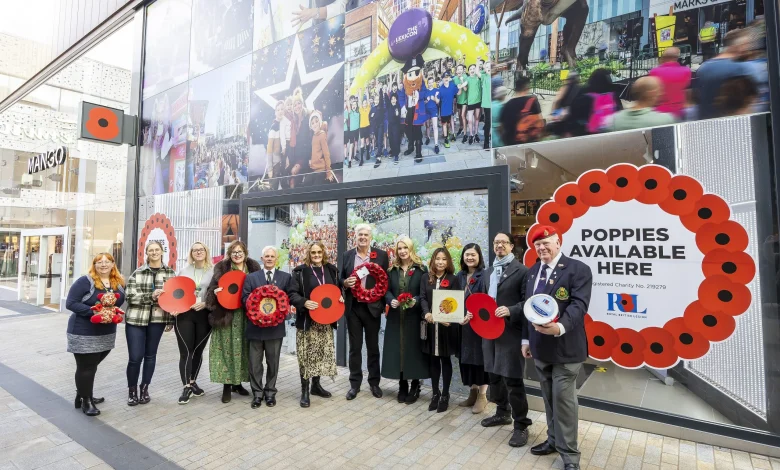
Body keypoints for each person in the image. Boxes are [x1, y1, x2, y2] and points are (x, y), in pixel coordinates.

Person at [515, 226, 591, 470]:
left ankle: (569, 456)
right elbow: (530, 309)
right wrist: (526, 340)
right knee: (548, 397)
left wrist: (560, 328)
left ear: (558, 242)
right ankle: (553, 440)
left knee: (563, 400)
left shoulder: (578, 269)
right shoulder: (533, 271)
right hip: (539, 348)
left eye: (546, 243)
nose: (542, 248)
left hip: (566, 347)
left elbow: (579, 306)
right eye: (537, 245)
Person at [481, 232, 533, 447]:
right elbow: (483, 299)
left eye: (503, 242)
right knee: (493, 375)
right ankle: (502, 412)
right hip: (489, 332)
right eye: (496, 243)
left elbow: (528, 302)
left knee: (512, 379)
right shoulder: (488, 272)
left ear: (512, 247)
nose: (499, 246)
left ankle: (521, 426)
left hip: (510, 332)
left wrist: (511, 310)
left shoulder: (522, 271)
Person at [66, 253, 125, 416]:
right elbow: (70, 303)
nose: (103, 265)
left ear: (113, 264)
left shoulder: (118, 282)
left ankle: (83, 393)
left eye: (107, 262)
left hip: (106, 331)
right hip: (84, 331)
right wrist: (91, 311)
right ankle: (86, 401)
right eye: (99, 262)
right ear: (94, 265)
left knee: (91, 366)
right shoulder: (85, 281)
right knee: (86, 366)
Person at [205, 240, 261, 404]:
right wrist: (215, 292)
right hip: (226, 315)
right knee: (226, 350)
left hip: (246, 315)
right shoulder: (222, 268)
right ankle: (226, 386)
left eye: (240, 252)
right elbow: (211, 289)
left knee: (243, 350)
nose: (237, 255)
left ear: (245, 253)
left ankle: (237, 383)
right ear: (230, 254)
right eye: (234, 252)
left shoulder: (253, 268)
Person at [340, 224, 390, 400]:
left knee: (373, 347)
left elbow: (385, 282)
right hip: (353, 307)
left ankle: (374, 383)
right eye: (360, 234)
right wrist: (345, 283)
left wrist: (385, 304)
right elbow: (340, 277)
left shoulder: (381, 256)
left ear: (370, 237)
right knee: (354, 347)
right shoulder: (347, 256)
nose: (362, 237)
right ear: (355, 236)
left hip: (372, 308)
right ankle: (355, 384)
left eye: (365, 235)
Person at [288, 241, 340, 408]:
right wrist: (304, 302)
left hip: (324, 322)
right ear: (309, 254)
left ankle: (316, 386)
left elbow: (338, 290)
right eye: (313, 253)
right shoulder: (300, 271)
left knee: (320, 355)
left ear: (323, 253)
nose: (316, 255)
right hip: (307, 322)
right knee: (306, 357)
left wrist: (341, 297)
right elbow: (291, 294)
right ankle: (305, 390)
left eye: (319, 252)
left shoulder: (331, 270)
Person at [124, 241, 176, 406]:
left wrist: (171, 319)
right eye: (151, 250)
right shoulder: (137, 273)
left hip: (158, 320)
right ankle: (132, 391)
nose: (154, 252)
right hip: (136, 320)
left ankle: (144, 388)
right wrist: (151, 296)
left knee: (150, 356)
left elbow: (174, 299)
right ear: (146, 253)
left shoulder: (170, 273)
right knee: (135, 357)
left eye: (157, 250)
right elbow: (130, 297)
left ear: (162, 252)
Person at [241, 246, 291, 408]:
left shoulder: (285, 277)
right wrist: (256, 305)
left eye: (272, 256)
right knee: (254, 363)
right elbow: (244, 299)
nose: (269, 259)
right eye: (266, 256)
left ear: (276, 259)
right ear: (262, 259)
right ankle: (257, 393)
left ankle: (270, 392)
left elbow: (289, 299)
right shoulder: (251, 278)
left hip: (275, 329)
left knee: (273, 362)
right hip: (255, 328)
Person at [382, 237, 429, 404]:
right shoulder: (391, 270)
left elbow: (424, 292)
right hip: (395, 317)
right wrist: (390, 300)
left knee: (413, 350)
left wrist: (415, 300)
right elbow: (385, 291)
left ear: (411, 249)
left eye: (405, 248)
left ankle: (415, 385)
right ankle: (402, 384)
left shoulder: (421, 270)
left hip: (414, 317)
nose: (402, 251)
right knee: (398, 349)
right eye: (399, 248)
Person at [419, 247, 460, 413]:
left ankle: (445, 394)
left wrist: (448, 318)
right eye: (437, 259)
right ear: (433, 260)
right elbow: (422, 297)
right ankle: (435, 393)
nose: (440, 262)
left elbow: (456, 301)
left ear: (448, 261)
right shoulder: (425, 278)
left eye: (444, 259)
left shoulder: (453, 279)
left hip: (446, 327)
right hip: (430, 325)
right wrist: (427, 312)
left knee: (445, 360)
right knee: (433, 360)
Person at [174, 242, 214, 405]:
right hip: (185, 314)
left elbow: (216, 293)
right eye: (195, 250)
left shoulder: (214, 270)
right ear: (191, 253)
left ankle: (193, 381)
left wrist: (205, 304)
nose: (198, 252)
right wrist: (174, 307)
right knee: (186, 351)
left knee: (198, 350)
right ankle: (186, 387)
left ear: (206, 251)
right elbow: (176, 291)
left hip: (204, 314)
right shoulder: (184, 270)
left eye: (201, 249)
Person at [455, 243, 489, 414]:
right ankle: (473, 392)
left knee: (480, 361)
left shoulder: (485, 275)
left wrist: (473, 314)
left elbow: (488, 301)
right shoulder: (459, 275)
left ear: (479, 256)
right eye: (467, 254)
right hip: (462, 326)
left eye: (473, 255)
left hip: (478, 326)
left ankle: (483, 396)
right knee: (466, 360)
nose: (469, 258)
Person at [695, 29, 755, 120]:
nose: (747, 48)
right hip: (732, 124)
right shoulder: (741, 68)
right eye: (745, 45)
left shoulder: (703, 67)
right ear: (736, 46)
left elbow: (697, 98)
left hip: (706, 123)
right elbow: (746, 106)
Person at [607, 77, 676, 131]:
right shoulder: (665, 120)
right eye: (659, 90)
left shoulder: (613, 121)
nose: (661, 93)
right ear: (651, 93)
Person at [648, 47, 691, 119]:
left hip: (660, 112)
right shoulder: (686, 71)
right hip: (679, 111)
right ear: (677, 57)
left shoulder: (654, 72)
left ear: (663, 58)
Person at [499, 75, 543, 145]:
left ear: (515, 89)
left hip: (510, 143)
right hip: (529, 143)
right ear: (527, 88)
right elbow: (540, 122)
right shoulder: (533, 102)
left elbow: (501, 128)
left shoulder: (507, 105)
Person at [307, 111, 333, 186]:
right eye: (312, 123)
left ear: (320, 122)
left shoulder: (322, 135)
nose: (315, 124)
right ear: (310, 126)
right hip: (314, 169)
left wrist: (328, 172)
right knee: (306, 183)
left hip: (321, 169)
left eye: (316, 121)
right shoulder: (313, 136)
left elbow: (326, 154)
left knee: (316, 188)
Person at [437, 72, 458, 149]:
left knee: (448, 124)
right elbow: (437, 100)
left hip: (450, 110)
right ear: (442, 79)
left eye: (448, 77)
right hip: (443, 111)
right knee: (444, 124)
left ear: (449, 78)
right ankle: (446, 139)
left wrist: (461, 86)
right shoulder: (440, 89)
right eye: (445, 77)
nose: (446, 78)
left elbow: (458, 92)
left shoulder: (452, 86)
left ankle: (448, 134)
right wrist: (435, 97)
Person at [464, 64, 482, 145]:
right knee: (470, 120)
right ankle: (471, 135)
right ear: (468, 71)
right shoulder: (467, 79)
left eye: (473, 68)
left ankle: (476, 134)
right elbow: (465, 83)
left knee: (477, 118)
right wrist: (461, 85)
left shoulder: (478, 78)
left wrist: (477, 62)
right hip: (470, 102)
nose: (472, 70)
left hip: (478, 101)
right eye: (470, 69)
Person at [422, 76, 441, 154]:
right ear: (427, 83)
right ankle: (428, 137)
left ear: (433, 83)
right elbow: (423, 102)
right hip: (427, 111)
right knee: (427, 126)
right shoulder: (425, 91)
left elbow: (438, 102)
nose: (430, 84)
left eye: (431, 83)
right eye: (429, 83)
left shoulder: (436, 90)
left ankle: (436, 144)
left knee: (435, 127)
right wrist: (427, 100)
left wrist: (434, 98)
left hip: (434, 111)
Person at [453, 64, 468, 139]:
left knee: (463, 115)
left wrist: (462, 81)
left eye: (461, 69)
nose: (459, 71)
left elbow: (465, 89)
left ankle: (465, 133)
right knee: (459, 116)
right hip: (459, 100)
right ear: (456, 71)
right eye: (458, 69)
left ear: (463, 70)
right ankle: (461, 127)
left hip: (465, 99)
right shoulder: (455, 78)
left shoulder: (465, 77)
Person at [480, 60, 492, 149]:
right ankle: (486, 142)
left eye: (490, 67)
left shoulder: (496, 78)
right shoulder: (484, 77)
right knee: (487, 124)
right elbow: (477, 72)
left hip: (494, 104)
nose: (489, 69)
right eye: (487, 67)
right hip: (487, 104)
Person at [387, 94, 402, 164]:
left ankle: (396, 155)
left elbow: (398, 115)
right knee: (391, 139)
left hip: (396, 126)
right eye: (392, 99)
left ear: (396, 100)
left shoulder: (397, 106)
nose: (393, 100)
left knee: (396, 140)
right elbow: (385, 98)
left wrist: (397, 114)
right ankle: (393, 151)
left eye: (394, 99)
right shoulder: (389, 106)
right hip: (390, 125)